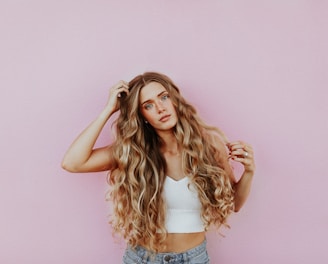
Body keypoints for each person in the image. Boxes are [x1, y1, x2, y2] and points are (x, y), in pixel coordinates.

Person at [62, 72, 255, 264]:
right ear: (142, 116)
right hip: (142, 258)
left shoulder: (209, 145)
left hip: (194, 259)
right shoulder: (133, 153)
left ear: (175, 100)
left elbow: (234, 204)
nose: (161, 108)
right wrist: (108, 110)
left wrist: (249, 172)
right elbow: (73, 163)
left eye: (164, 97)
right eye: (148, 105)